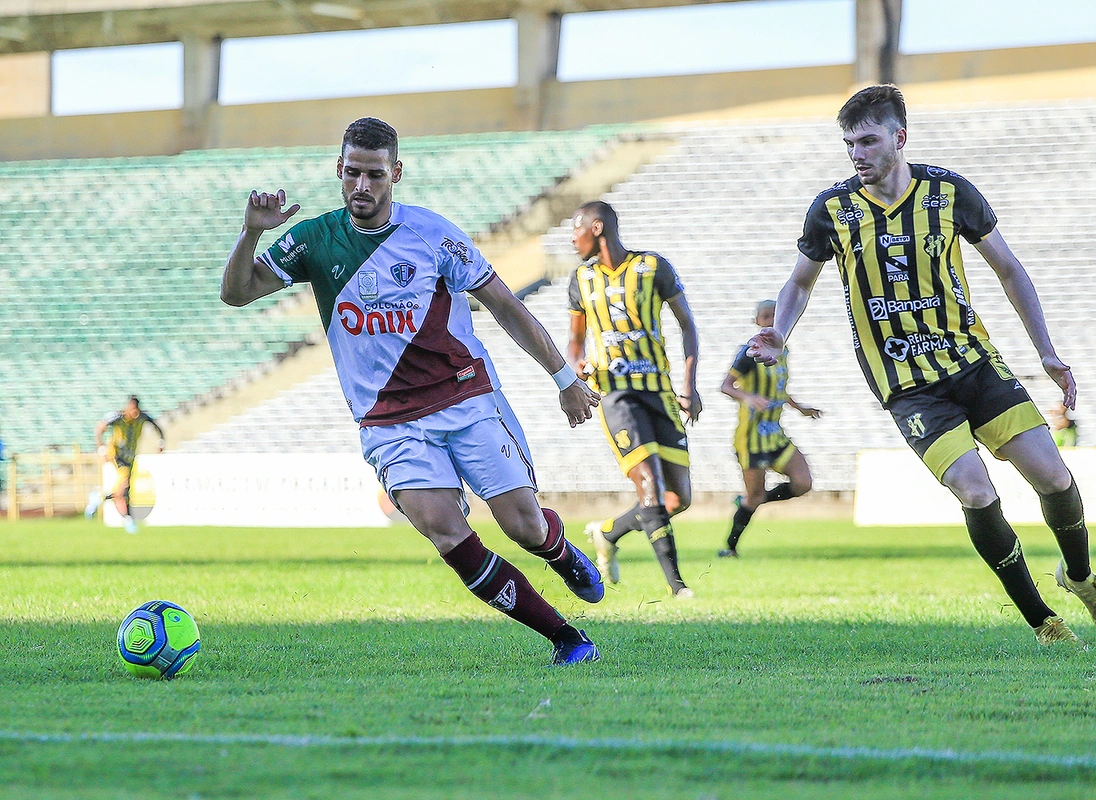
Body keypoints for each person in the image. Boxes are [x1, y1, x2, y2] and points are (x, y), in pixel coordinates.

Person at [749, 85, 1096, 645]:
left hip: (973, 364)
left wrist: (1045, 351)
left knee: (1053, 476)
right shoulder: (832, 210)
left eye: (869, 141)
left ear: (899, 137)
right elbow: (799, 283)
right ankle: (1043, 621)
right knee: (976, 492)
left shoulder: (948, 193)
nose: (858, 154)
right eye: (849, 143)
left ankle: (1080, 578)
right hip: (907, 386)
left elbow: (1009, 268)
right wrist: (777, 333)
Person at [220, 117, 605, 666]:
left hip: (465, 399)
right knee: (446, 533)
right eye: (352, 173)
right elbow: (236, 294)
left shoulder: (433, 234)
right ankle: (566, 638)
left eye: (374, 175)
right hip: (388, 421)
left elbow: (505, 306)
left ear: (395, 174)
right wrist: (252, 232)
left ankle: (559, 550)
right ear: (338, 170)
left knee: (523, 526)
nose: (361, 186)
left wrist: (565, 380)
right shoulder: (313, 239)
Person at [567, 201, 702, 598]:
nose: (571, 240)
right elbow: (575, 343)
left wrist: (689, 385)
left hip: (659, 392)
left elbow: (687, 325)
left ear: (596, 228)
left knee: (678, 498)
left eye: (575, 231)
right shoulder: (581, 278)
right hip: (616, 395)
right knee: (649, 486)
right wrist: (578, 366)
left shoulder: (653, 267)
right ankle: (678, 587)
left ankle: (608, 533)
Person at [718, 300, 821, 558]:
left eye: (774, 315)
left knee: (803, 483)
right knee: (753, 498)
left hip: (775, 433)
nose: (769, 320)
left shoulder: (782, 352)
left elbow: (778, 389)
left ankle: (753, 501)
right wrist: (748, 397)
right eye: (765, 316)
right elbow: (726, 386)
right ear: (756, 321)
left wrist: (800, 408)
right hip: (751, 438)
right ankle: (730, 548)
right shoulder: (749, 353)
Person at [85, 395, 165, 533]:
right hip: (116, 455)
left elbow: (158, 427)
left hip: (130, 458)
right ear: (128, 407)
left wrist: (161, 443)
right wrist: (101, 447)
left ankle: (103, 501)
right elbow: (100, 427)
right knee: (124, 484)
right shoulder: (118, 417)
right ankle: (123, 516)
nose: (135, 412)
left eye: (137, 409)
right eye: (132, 408)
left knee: (124, 493)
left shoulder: (142, 418)